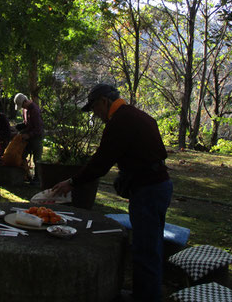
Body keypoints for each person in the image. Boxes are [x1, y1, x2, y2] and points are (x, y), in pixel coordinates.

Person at [52, 84, 173, 302]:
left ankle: (146, 298)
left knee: (145, 248)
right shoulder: (137, 115)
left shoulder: (120, 121)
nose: (95, 114)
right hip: (158, 185)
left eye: (94, 108)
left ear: (104, 102)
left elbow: (101, 162)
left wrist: (72, 182)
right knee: (150, 244)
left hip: (148, 190)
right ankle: (146, 293)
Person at [13, 93, 44, 184]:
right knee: (22, 155)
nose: (22, 107)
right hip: (29, 137)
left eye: (22, 105)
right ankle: (27, 175)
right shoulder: (25, 110)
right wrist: (16, 128)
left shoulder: (35, 110)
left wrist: (28, 135)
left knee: (37, 159)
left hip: (37, 137)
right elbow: (26, 124)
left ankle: (37, 179)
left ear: (25, 101)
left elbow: (38, 129)